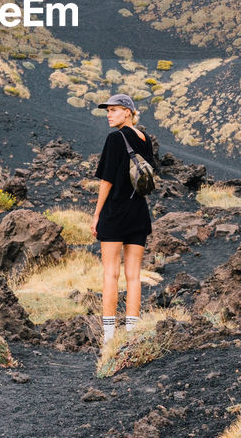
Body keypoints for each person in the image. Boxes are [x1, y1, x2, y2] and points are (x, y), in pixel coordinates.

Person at [90, 92, 153, 344]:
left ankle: (108, 337)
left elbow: (106, 180)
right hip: (138, 213)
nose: (109, 115)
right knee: (134, 276)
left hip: (115, 213)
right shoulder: (145, 138)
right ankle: (131, 334)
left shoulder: (115, 138)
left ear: (128, 112)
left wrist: (96, 215)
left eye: (114, 110)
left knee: (110, 274)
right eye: (107, 111)